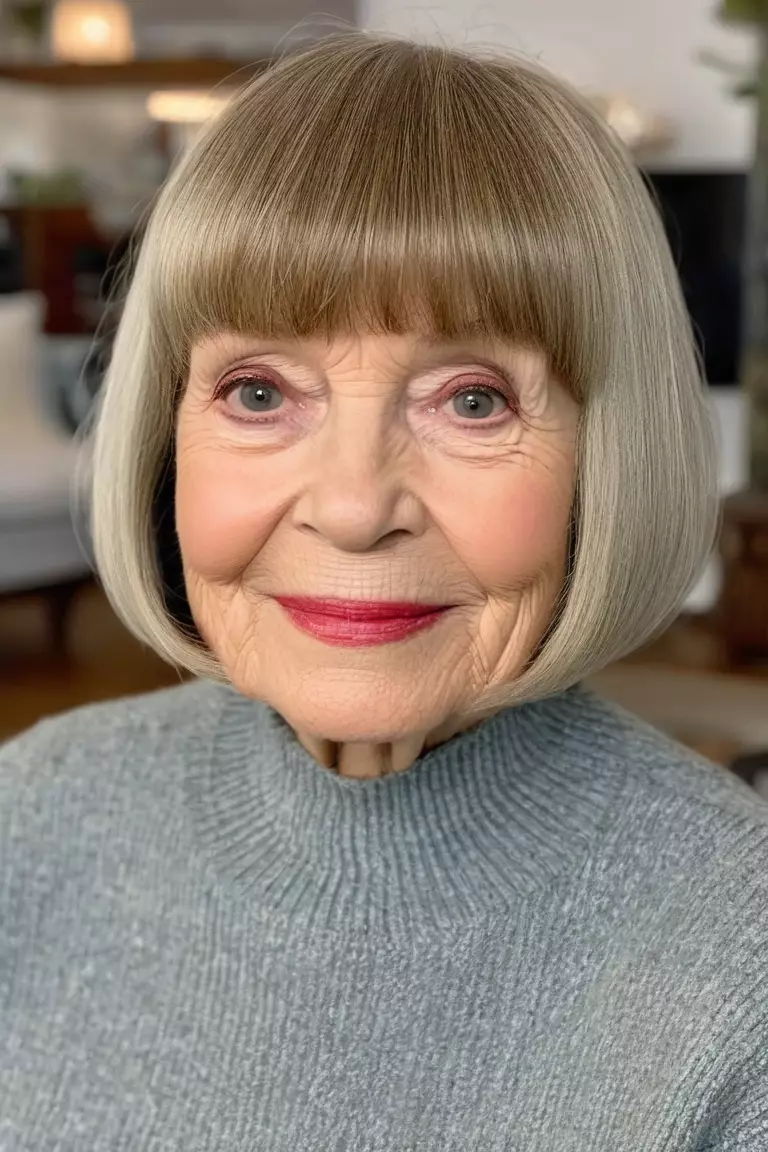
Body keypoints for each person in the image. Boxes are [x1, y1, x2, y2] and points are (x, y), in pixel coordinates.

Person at [1, 31, 767, 1151]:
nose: (356, 508)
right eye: (259, 391)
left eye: (473, 401)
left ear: (609, 453)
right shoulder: (32, 815)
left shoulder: (738, 957)